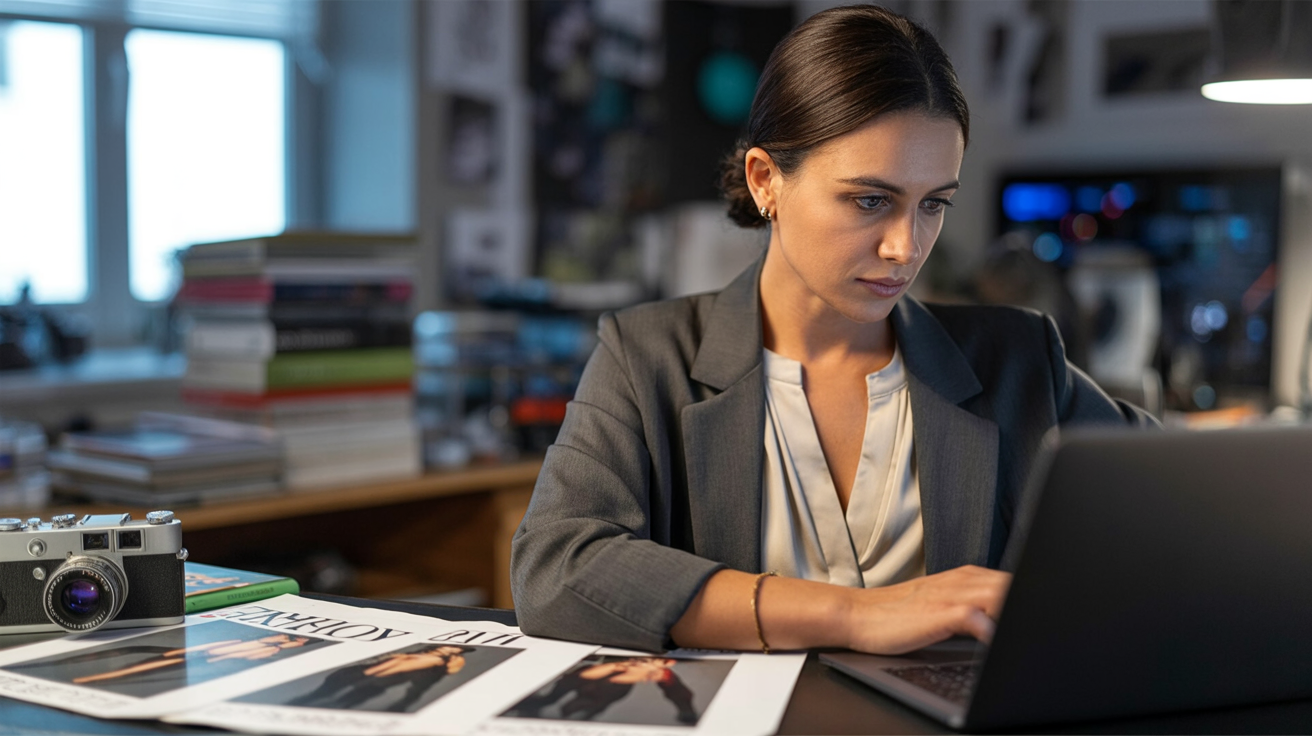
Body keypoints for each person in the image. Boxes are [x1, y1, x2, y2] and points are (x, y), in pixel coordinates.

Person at [510, 4, 1154, 656]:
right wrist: (852, 616)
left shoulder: (1017, 360)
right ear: (767, 182)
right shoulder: (648, 356)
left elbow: (1185, 503)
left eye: (933, 204)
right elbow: (557, 568)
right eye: (870, 200)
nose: (907, 246)